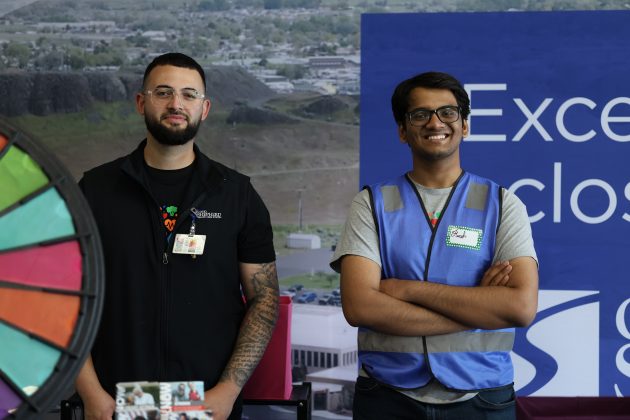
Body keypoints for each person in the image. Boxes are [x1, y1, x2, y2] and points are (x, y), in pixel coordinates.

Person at [75, 52, 279, 420]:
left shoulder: (236, 195)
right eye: (163, 92)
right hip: (113, 400)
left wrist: (227, 391)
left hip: (207, 400)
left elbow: (264, 300)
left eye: (189, 94)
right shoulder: (95, 190)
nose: (176, 104)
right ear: (141, 102)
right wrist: (91, 394)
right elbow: (66, 295)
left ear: (205, 108)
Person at [330, 71, 538, 419]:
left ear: (464, 125)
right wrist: (477, 309)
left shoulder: (502, 204)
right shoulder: (371, 204)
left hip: (481, 398)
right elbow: (360, 307)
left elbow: (520, 307)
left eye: (448, 112)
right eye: (420, 114)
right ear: (402, 131)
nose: (435, 122)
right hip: (388, 396)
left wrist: (405, 289)